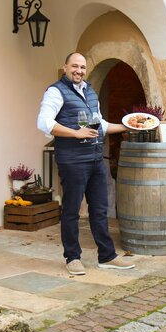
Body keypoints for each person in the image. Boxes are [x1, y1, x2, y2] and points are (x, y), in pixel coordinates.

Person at [37, 52, 135, 275]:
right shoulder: (56, 91)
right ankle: (72, 257)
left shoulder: (90, 91)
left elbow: (100, 124)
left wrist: (128, 126)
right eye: (74, 66)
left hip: (95, 159)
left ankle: (107, 256)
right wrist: (74, 132)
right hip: (72, 161)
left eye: (82, 67)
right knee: (71, 211)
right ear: (65, 67)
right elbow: (44, 122)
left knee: (99, 209)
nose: (79, 71)